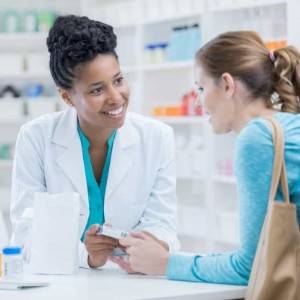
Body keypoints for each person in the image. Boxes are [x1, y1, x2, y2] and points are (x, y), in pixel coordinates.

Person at [113, 31, 300, 284]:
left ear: (226, 84)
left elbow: (250, 267)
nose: (199, 102)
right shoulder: (290, 124)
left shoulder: (258, 137)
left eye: (201, 88)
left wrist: (166, 263)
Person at [10, 15, 179, 269]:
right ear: (67, 97)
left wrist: (147, 244)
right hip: (58, 283)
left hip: (130, 281)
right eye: (97, 90)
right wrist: (87, 256)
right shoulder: (36, 138)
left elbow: (163, 223)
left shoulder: (157, 137)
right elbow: (26, 234)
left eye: (118, 80)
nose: (116, 98)